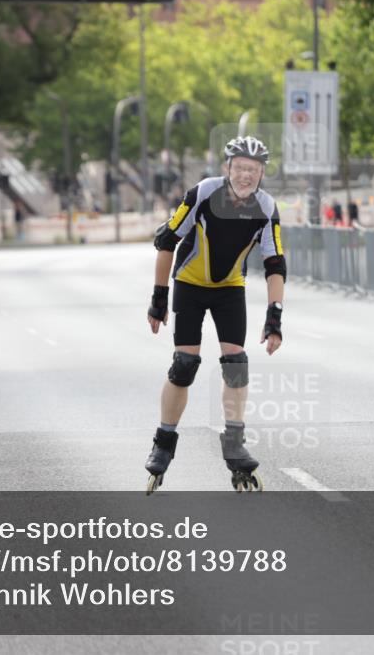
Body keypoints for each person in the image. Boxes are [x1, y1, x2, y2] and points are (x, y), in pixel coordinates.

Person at [144, 136, 285, 494]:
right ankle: (164, 441)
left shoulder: (267, 208)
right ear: (228, 169)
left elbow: (275, 264)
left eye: (253, 170)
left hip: (229, 290)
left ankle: (234, 444)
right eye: (240, 168)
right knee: (184, 365)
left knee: (236, 364)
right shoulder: (204, 192)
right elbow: (166, 240)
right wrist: (159, 300)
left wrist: (274, 320)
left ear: (261, 173)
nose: (246, 175)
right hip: (189, 285)